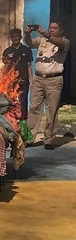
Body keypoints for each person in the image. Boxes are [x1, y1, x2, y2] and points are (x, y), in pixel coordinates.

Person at [24, 21, 70, 150]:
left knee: (52, 110)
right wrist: (27, 34)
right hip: (38, 78)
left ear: (61, 30)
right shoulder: (42, 39)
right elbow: (30, 43)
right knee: (34, 108)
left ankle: (48, 139)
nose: (52, 30)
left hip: (54, 80)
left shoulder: (64, 42)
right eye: (50, 28)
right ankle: (29, 138)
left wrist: (48, 35)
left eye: (55, 28)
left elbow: (60, 44)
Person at [2, 28, 33, 119]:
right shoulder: (7, 51)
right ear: (11, 38)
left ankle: (23, 120)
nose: (15, 38)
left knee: (23, 102)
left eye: (17, 36)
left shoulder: (26, 50)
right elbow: (6, 67)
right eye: (13, 37)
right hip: (11, 82)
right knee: (11, 101)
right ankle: (13, 120)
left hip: (23, 81)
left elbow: (29, 66)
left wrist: (32, 80)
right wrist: (3, 80)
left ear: (20, 37)